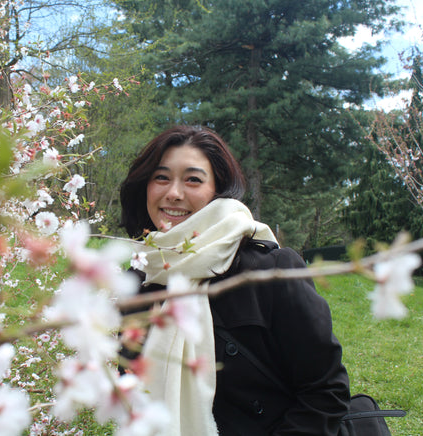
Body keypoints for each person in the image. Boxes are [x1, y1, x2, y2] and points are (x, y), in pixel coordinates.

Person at [120, 125, 350, 436]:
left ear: (219, 191)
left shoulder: (270, 271)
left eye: (193, 180)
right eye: (161, 177)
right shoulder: (136, 282)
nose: (173, 193)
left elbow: (324, 393)